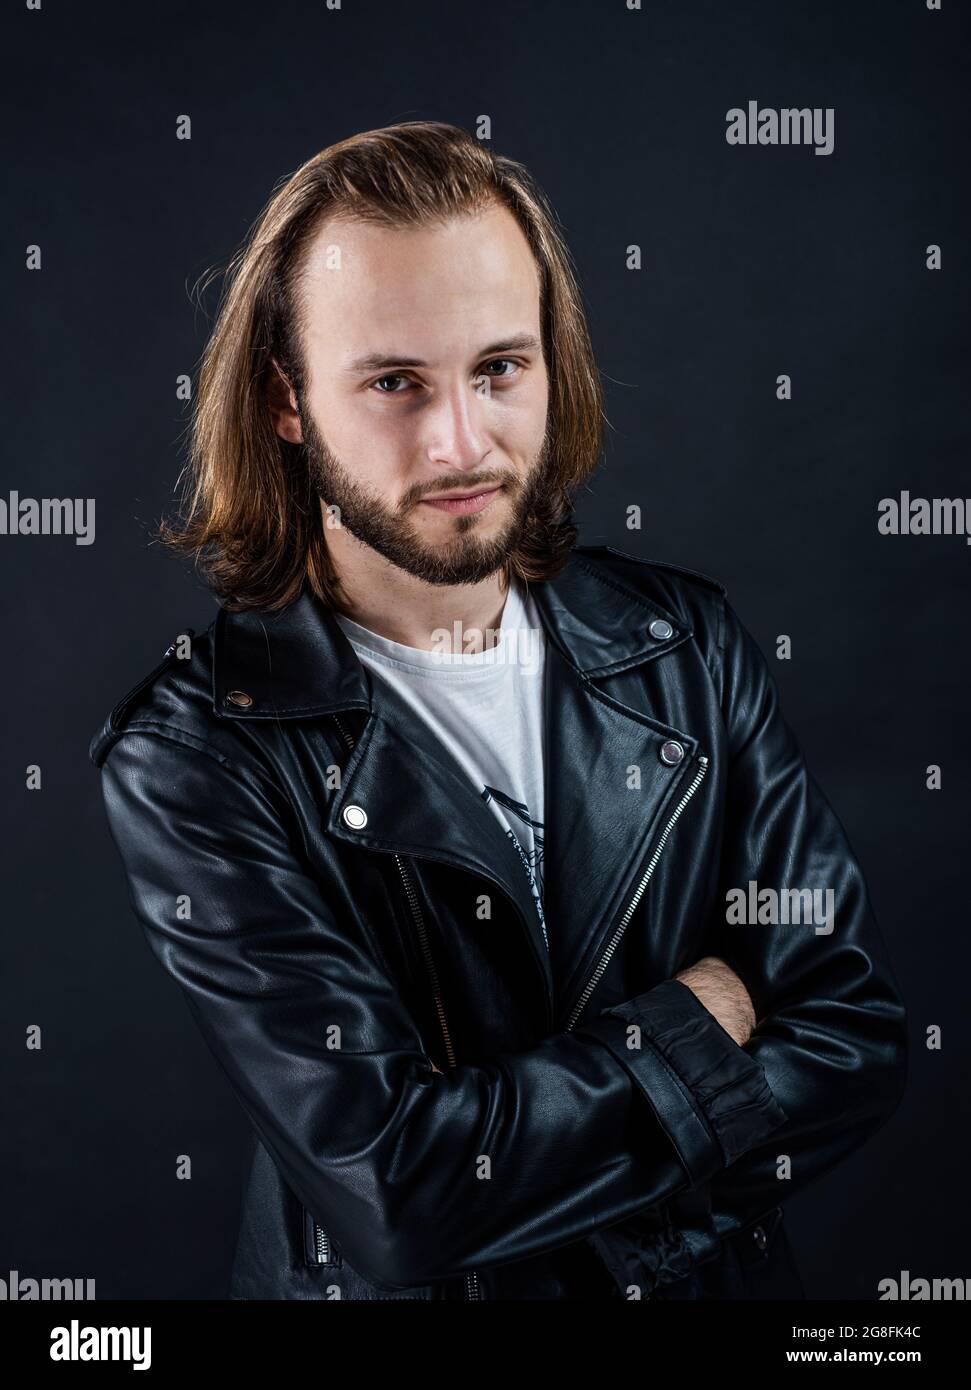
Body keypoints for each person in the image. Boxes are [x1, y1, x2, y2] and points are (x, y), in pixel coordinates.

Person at [89, 121, 907, 1300]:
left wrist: (526, 1156)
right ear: (286, 403)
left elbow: (851, 1036)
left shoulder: (683, 644)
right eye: (392, 382)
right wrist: (703, 1009)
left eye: (498, 368)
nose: (461, 442)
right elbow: (397, 1193)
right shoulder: (195, 757)